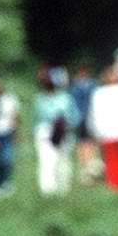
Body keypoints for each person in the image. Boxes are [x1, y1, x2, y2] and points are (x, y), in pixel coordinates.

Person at [34, 66, 79, 196]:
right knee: (47, 160)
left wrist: (65, 124)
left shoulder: (66, 98)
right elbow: (37, 119)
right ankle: (47, 190)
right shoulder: (39, 99)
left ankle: (63, 189)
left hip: (64, 131)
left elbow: (74, 117)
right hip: (46, 131)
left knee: (63, 160)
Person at [70, 67, 102, 184]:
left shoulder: (76, 88)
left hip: (85, 118)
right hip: (85, 118)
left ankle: (88, 168)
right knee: (86, 144)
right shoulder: (92, 86)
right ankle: (88, 168)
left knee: (86, 144)